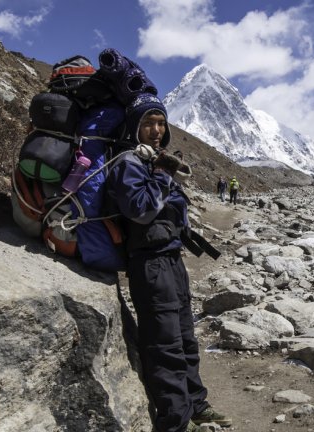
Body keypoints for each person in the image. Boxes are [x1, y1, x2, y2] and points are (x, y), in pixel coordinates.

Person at [106, 93, 231, 432]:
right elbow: (142, 210)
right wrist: (162, 174)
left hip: (172, 261)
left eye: (161, 123)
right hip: (149, 264)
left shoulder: (150, 162)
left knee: (186, 338)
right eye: (149, 123)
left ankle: (197, 405)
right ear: (135, 126)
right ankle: (175, 420)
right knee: (164, 344)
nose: (157, 130)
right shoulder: (127, 164)